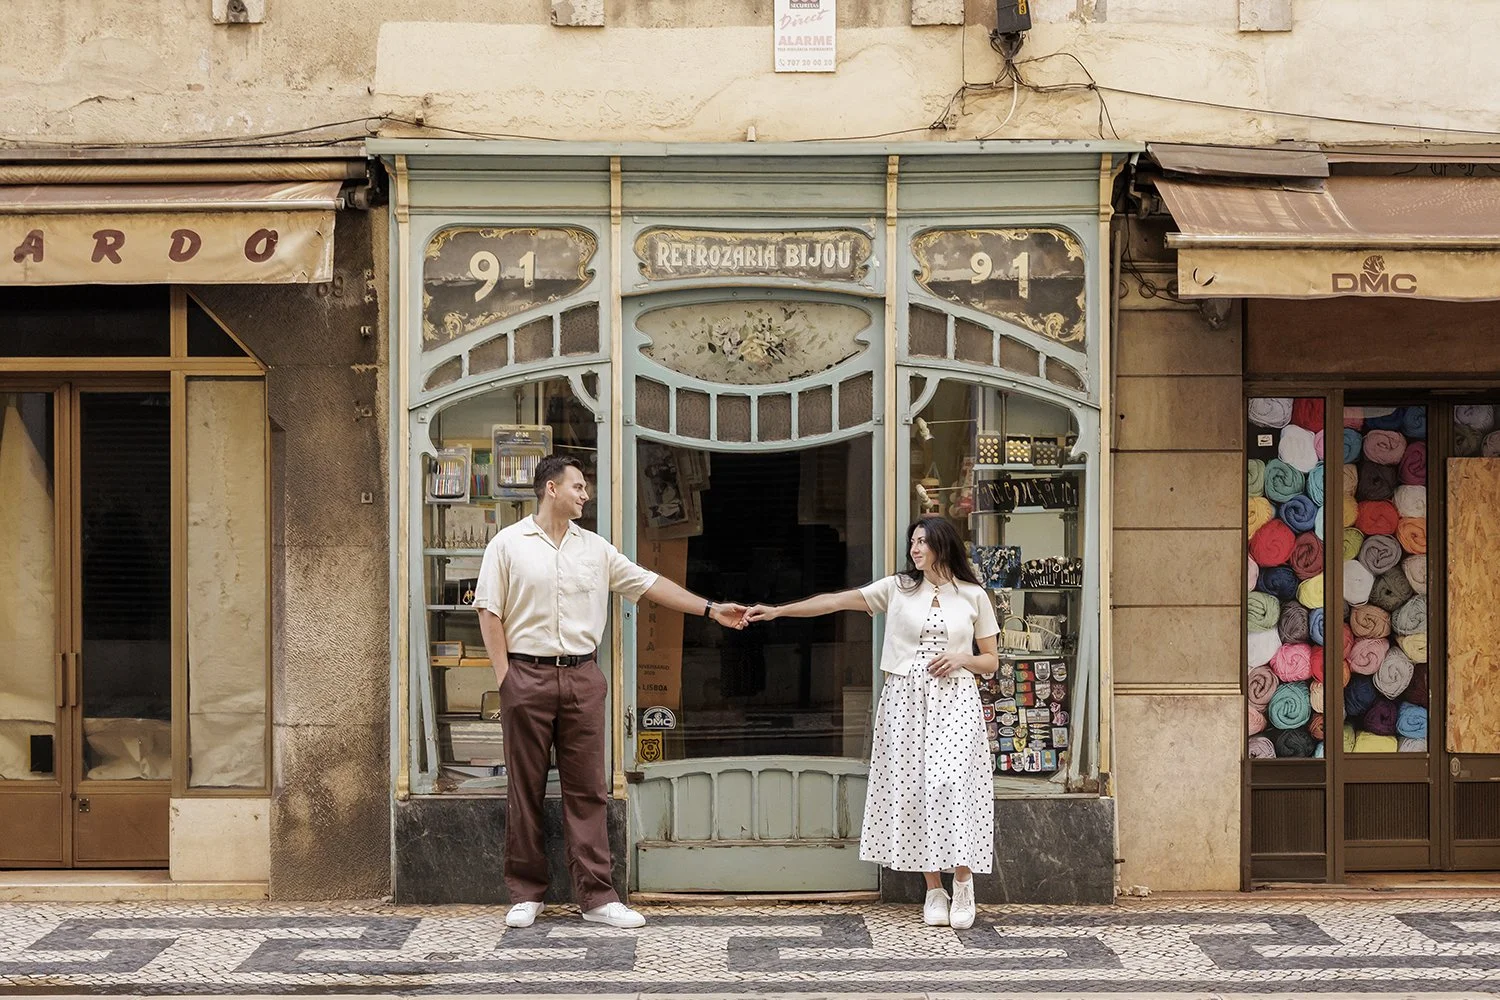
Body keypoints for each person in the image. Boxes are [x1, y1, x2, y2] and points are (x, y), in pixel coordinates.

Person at [474, 455, 748, 930]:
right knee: (525, 788)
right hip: (527, 676)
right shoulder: (507, 545)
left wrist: (710, 609)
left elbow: (649, 584)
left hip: (582, 677)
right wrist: (506, 678)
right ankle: (526, 893)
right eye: (577, 486)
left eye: (585, 487)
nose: (585, 494)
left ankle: (597, 897)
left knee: (589, 790)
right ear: (550, 489)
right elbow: (488, 611)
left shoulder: (595, 549)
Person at [744, 517, 998, 929]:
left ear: (943, 545)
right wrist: (777, 612)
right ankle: (933, 887)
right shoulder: (897, 588)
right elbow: (834, 601)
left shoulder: (972, 595)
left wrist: (962, 658)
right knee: (912, 786)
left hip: (955, 700)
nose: (915, 549)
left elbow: (991, 661)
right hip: (904, 700)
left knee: (952, 786)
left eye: (924, 542)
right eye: (912, 542)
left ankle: (964, 882)